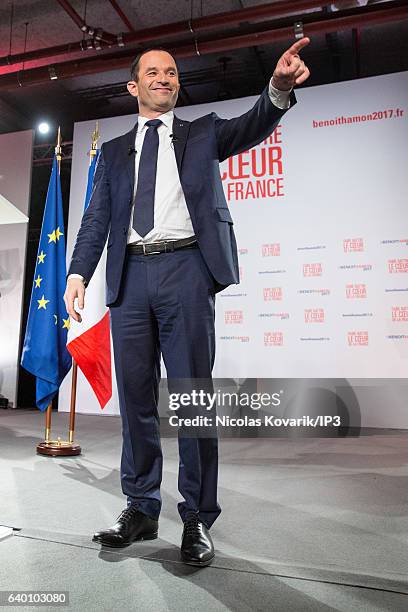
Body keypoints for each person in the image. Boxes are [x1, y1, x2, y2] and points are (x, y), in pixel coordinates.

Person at [64, 40, 310, 566]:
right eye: (152, 72)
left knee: (192, 402)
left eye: (171, 72)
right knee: (135, 402)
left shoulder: (202, 133)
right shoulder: (112, 153)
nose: (164, 78)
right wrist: (78, 272)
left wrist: (280, 87)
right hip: (129, 277)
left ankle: (197, 518)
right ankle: (140, 507)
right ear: (133, 86)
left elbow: (252, 124)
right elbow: (94, 219)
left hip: (186, 272)